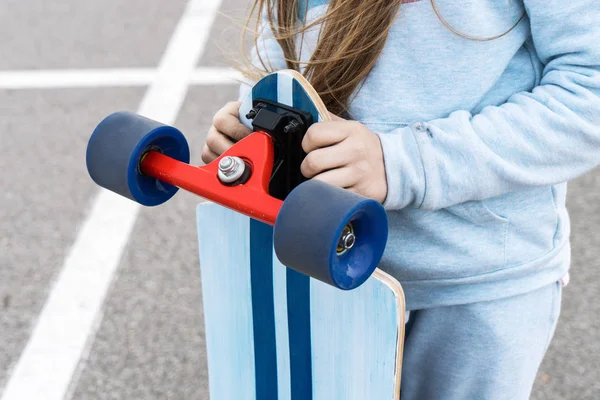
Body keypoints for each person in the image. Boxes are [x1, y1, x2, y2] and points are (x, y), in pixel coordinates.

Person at [202, 0, 600, 398]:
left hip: (478, 285)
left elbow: (589, 93)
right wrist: (255, 136)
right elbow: (282, 54)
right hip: (325, 267)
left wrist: (401, 163)